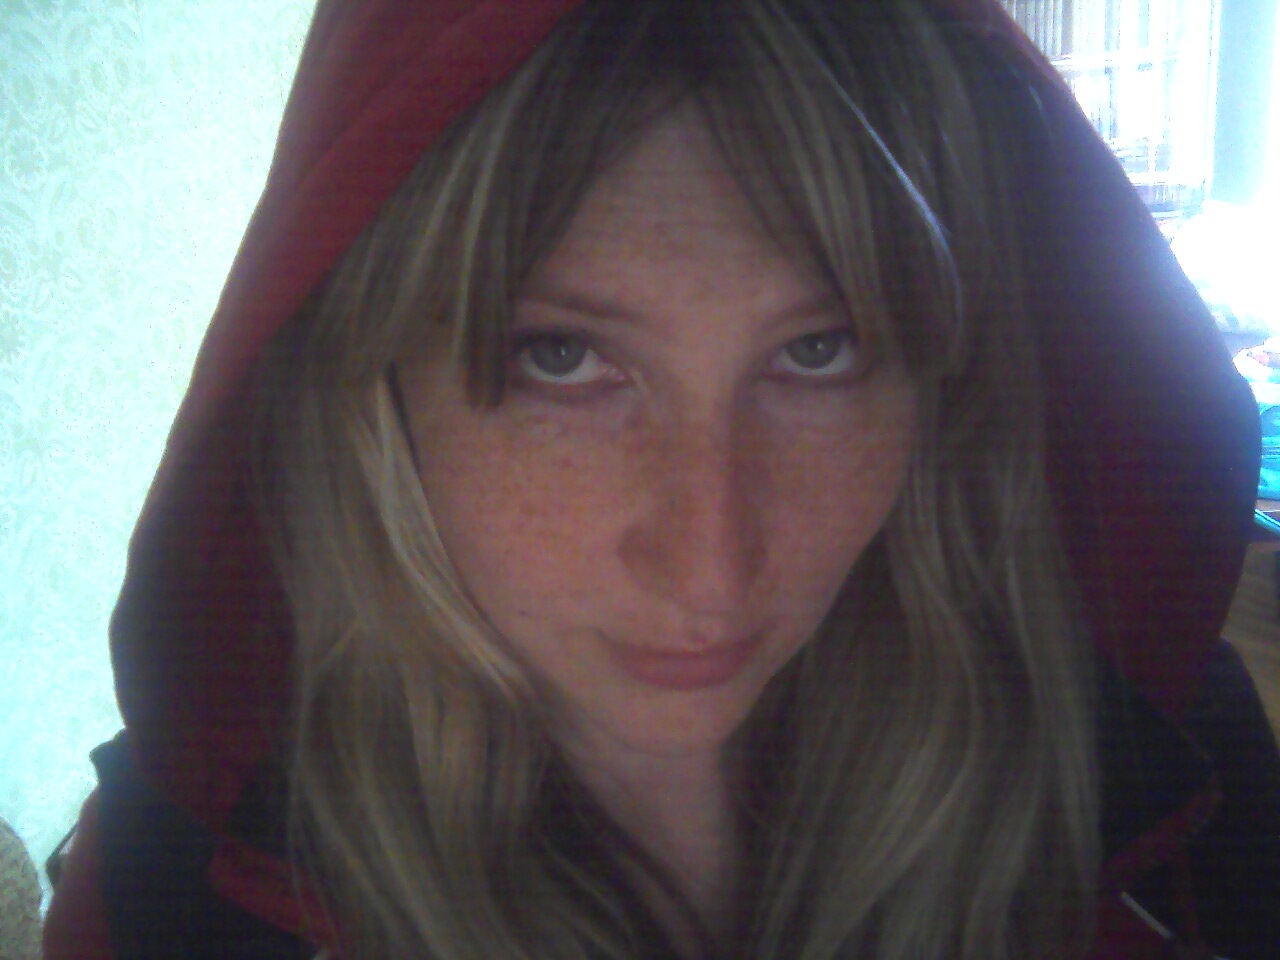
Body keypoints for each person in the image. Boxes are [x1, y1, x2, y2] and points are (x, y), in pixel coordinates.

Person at [41, 0, 1280, 958]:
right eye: (560, 357)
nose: (709, 563)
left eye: (818, 349)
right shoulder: (175, 894)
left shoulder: (1164, 767)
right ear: (374, 392)